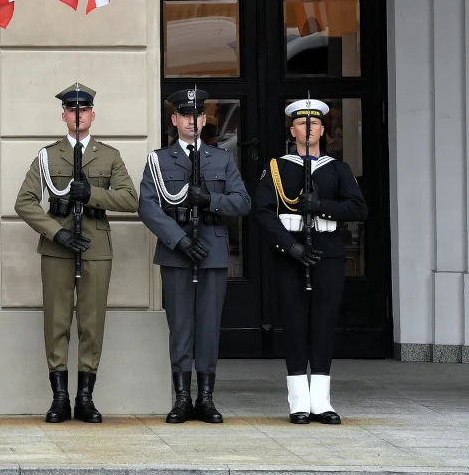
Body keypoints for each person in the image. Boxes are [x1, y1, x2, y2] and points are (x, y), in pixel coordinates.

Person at [14, 83, 138, 423]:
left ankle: (85, 398)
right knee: (56, 322)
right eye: (72, 110)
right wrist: (57, 232)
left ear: (93, 115)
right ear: (64, 116)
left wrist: (92, 194)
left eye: (84, 110)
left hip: (95, 246)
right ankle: (60, 398)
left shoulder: (109, 155)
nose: (78, 115)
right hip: (58, 247)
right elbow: (24, 202)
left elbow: (130, 199)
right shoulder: (47, 156)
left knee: (91, 322)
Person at [139, 87, 250, 424]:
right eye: (184, 115)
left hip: (212, 251)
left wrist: (211, 201)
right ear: (174, 119)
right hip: (177, 254)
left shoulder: (222, 159)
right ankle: (182, 398)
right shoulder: (159, 160)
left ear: (204, 119)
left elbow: (242, 202)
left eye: (197, 114)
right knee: (181, 326)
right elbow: (147, 207)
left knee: (209, 326)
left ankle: (206, 398)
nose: (191, 120)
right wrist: (179, 240)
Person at [254, 99, 367, 425]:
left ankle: (321, 401)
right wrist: (291, 247)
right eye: (301, 124)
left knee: (323, 325)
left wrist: (321, 206)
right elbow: (262, 212)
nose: (308, 129)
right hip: (289, 255)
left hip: (327, 254)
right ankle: (298, 401)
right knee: (294, 325)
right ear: (292, 130)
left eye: (314, 123)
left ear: (322, 129)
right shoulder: (277, 168)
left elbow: (359, 209)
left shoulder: (337, 168)